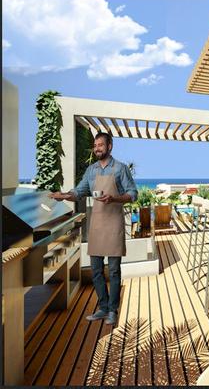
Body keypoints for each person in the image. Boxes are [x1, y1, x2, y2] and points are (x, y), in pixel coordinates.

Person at [49, 132, 137, 325]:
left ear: (109, 146)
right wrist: (64, 196)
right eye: (95, 145)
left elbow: (133, 194)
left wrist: (114, 198)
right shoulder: (91, 170)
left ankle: (113, 310)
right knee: (96, 271)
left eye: (100, 145)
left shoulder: (120, 168)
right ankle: (103, 308)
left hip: (114, 224)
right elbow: (79, 191)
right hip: (97, 224)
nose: (97, 148)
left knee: (113, 271)